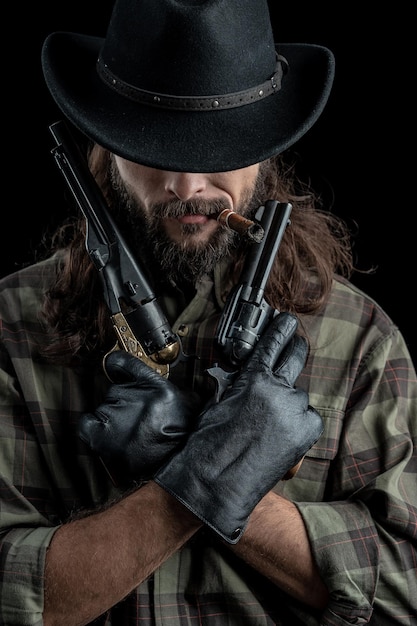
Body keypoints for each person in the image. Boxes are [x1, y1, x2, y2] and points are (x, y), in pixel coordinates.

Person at [1, 0, 416, 624]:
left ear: (265, 150)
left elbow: (404, 592)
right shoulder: (9, 326)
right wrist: (210, 470)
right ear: (107, 145)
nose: (189, 185)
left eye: (219, 148)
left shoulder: (360, 338)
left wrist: (195, 467)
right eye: (155, 148)